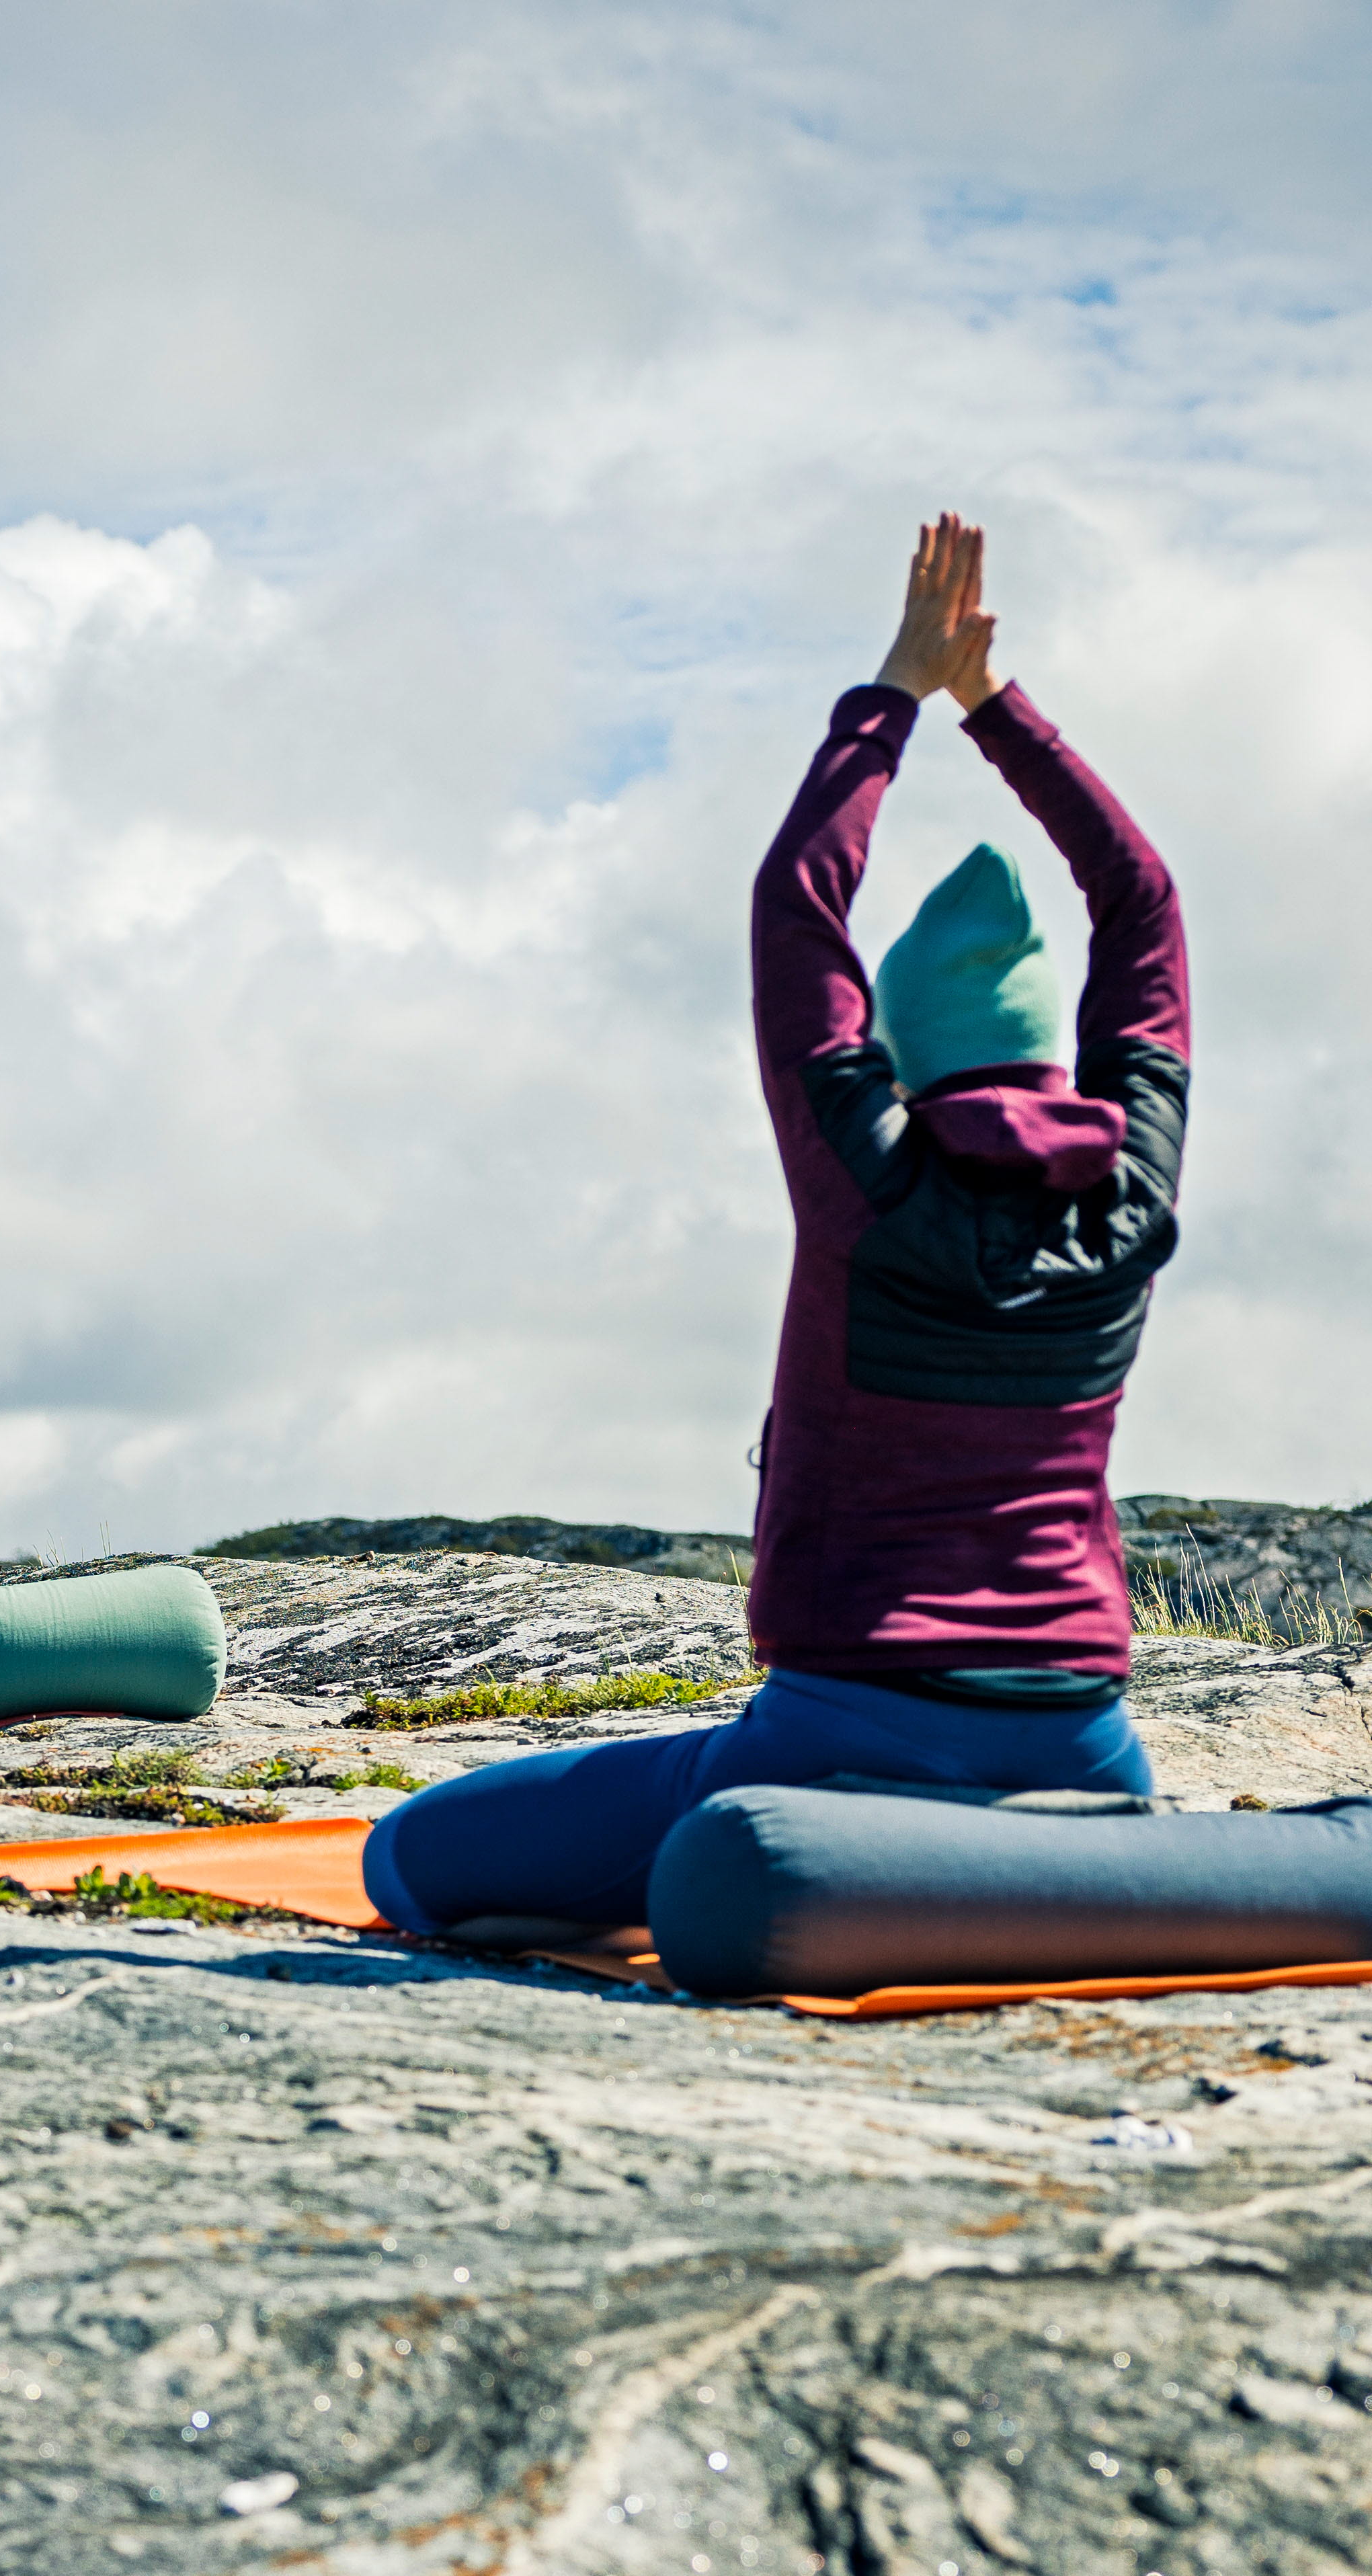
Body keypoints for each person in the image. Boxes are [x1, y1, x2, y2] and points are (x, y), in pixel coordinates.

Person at [364, 515, 1182, 1936]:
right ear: (1057, 1056)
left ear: (907, 1055)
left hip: (840, 1729)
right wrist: (1001, 709)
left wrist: (901, 693)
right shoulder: (1130, 1194)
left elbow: (796, 907)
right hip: (1082, 1740)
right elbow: (1143, 907)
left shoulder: (868, 1177)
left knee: (408, 1857)